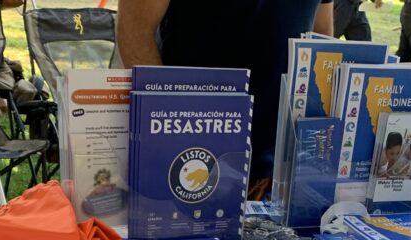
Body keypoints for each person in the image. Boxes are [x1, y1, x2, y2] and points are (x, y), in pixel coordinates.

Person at [117, 0, 334, 190]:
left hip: (282, 168)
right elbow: (135, 31)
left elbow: (321, 38)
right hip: (190, 153)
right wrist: (169, 131)